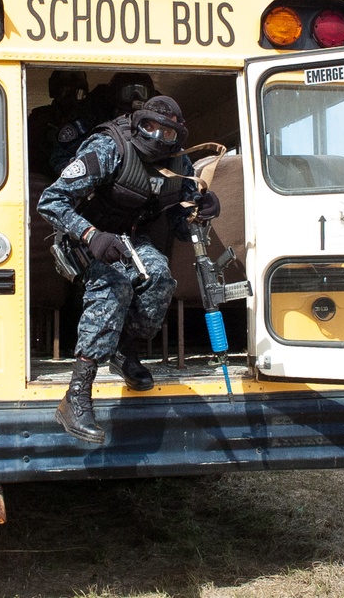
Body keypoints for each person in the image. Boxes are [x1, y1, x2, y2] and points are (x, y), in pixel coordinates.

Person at [37, 96, 220, 444]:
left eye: (166, 132)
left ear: (177, 136)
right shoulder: (109, 148)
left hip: (129, 238)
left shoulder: (178, 163)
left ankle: (125, 350)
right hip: (83, 236)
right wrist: (92, 235)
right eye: (150, 127)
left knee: (161, 279)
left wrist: (202, 210)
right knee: (114, 288)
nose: (156, 136)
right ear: (138, 123)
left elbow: (180, 225)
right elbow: (51, 201)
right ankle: (76, 396)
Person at [48, 71, 156, 175]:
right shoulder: (91, 117)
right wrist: (80, 175)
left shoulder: (157, 122)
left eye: (142, 92)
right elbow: (60, 157)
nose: (135, 98)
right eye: (128, 92)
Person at [27, 70, 88, 174]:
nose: (70, 97)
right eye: (65, 91)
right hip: (45, 174)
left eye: (76, 92)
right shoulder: (40, 117)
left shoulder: (87, 118)